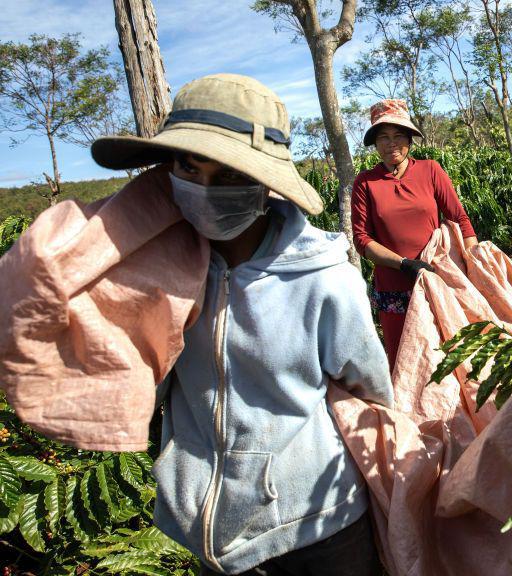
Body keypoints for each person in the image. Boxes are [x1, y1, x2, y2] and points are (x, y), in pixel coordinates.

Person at [89, 74, 392, 575]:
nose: (206, 190)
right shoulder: (157, 269)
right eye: (190, 167)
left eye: (229, 174)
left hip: (318, 522)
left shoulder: (323, 277)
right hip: (210, 532)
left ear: (263, 183)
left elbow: (369, 390)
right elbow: (140, 385)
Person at [351, 99, 479, 368]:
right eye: (383, 137)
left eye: (398, 135)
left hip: (436, 279)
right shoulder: (366, 182)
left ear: (410, 139)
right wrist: (404, 264)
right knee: (404, 361)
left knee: (449, 355)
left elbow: (460, 219)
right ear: (375, 143)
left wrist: (472, 264)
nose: (391, 143)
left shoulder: (430, 170)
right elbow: (362, 239)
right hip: (394, 287)